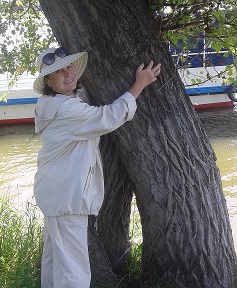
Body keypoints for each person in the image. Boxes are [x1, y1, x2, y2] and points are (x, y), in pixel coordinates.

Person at [33, 46, 161, 288]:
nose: (67, 73)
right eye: (58, 72)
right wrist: (139, 85)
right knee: (74, 271)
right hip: (65, 197)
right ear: (48, 81)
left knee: (56, 261)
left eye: (68, 66)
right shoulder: (67, 109)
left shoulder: (52, 103)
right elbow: (109, 116)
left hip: (55, 193)